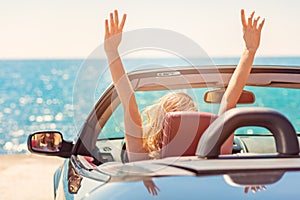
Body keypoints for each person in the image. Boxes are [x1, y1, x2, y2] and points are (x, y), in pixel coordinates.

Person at [104, 9, 265, 161]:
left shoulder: (143, 158)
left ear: (159, 124)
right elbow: (229, 101)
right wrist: (249, 51)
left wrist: (112, 53)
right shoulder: (216, 154)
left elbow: (129, 102)